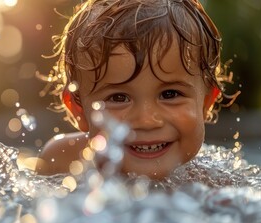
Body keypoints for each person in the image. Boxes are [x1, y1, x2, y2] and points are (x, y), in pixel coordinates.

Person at [36, 0, 230, 179]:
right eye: (119, 97)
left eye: (169, 94)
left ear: (206, 103)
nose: (146, 120)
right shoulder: (63, 162)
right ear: (78, 110)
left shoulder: (213, 183)